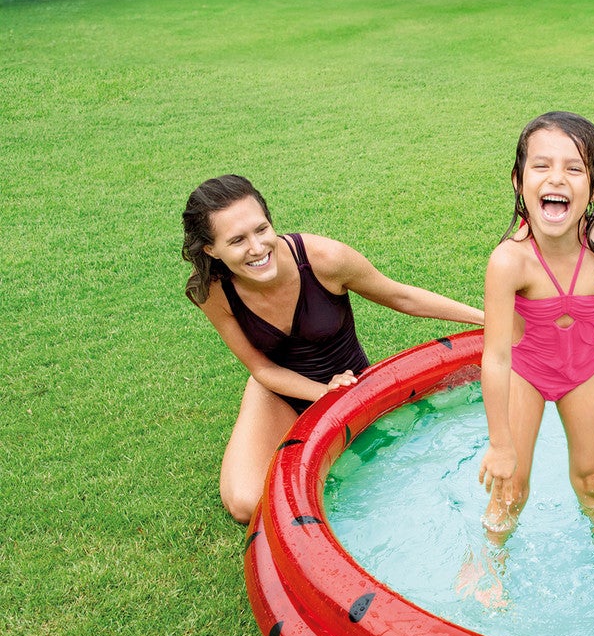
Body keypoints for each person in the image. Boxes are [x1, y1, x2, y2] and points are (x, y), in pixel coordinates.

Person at [182, 174, 483, 524]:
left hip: (351, 388)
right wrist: (322, 392)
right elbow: (261, 369)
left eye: (261, 229)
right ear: (211, 249)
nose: (257, 247)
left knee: (378, 484)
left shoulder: (324, 259)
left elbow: (400, 296)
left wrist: (487, 318)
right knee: (246, 505)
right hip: (280, 389)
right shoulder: (214, 292)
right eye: (237, 240)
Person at [468, 112, 594, 599]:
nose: (556, 178)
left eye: (574, 168)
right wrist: (499, 440)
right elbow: (496, 356)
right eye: (541, 166)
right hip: (525, 374)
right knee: (512, 486)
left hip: (582, 374)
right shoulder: (509, 261)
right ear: (519, 180)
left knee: (591, 477)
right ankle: (488, 561)